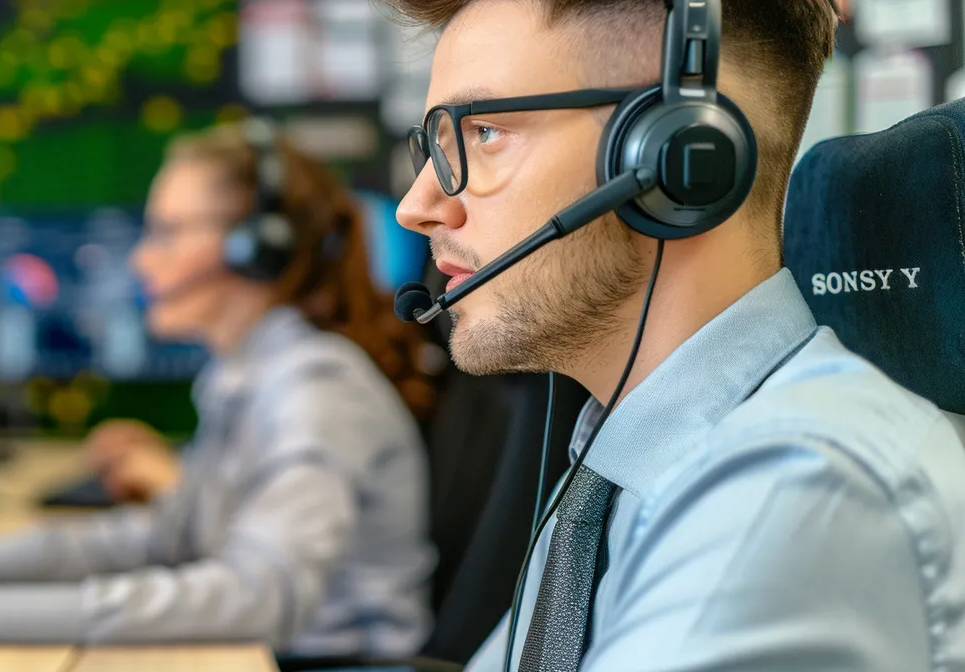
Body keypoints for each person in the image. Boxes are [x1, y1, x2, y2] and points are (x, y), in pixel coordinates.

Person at [388, 0, 965, 669]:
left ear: (680, 157)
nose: (417, 205)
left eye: (482, 132)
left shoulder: (800, 489)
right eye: (433, 146)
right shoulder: (613, 468)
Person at [0, 122, 439, 659]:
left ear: (255, 248)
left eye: (166, 232)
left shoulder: (315, 390)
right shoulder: (244, 374)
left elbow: (259, 594)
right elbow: (161, 537)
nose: (140, 261)